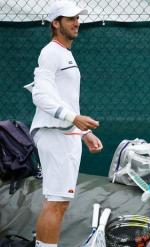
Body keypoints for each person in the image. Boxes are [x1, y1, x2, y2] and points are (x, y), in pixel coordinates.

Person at [29, 1, 103, 246]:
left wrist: (82, 133)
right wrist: (74, 119)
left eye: (78, 18)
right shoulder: (51, 52)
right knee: (57, 203)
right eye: (70, 18)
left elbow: (63, 99)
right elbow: (40, 95)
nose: (76, 22)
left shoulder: (64, 53)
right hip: (54, 135)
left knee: (57, 202)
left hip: (65, 134)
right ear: (55, 23)